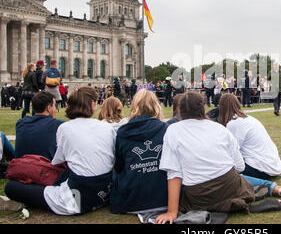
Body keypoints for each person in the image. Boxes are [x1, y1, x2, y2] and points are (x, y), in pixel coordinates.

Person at [4, 86, 116, 215]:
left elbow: (58, 161)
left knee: (12, 188)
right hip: (106, 193)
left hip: (78, 200)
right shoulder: (106, 127)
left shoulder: (65, 128)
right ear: (93, 105)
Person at [155, 91, 255, 224]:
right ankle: (265, 190)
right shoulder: (220, 129)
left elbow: (174, 173)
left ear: (179, 110)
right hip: (230, 185)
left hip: (199, 195)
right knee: (243, 182)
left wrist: (171, 212)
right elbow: (240, 166)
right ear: (204, 107)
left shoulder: (173, 130)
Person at [110, 89, 168, 214]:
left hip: (131, 200)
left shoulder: (122, 132)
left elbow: (118, 166)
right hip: (163, 198)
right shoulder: (165, 129)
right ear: (155, 106)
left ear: (134, 107)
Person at [218, 93, 281, 179]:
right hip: (272, 165)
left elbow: (232, 151)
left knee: (222, 170)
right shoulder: (248, 118)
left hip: (260, 168)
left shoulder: (234, 123)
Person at [14, 91, 65, 160]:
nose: (55, 109)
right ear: (49, 108)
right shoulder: (58, 125)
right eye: (54, 106)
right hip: (45, 168)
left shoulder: (21, 123)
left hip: (21, 165)